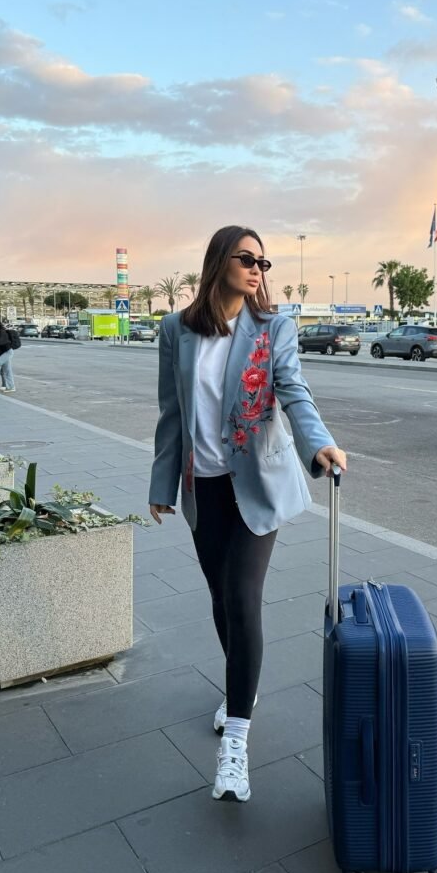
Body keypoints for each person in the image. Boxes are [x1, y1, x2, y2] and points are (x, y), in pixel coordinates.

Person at [148, 225, 347, 803]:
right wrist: (162, 483)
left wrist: (320, 445)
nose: (259, 268)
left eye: (265, 261)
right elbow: (170, 413)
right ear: (219, 261)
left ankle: (235, 743)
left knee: (241, 598)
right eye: (247, 257)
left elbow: (294, 393)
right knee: (219, 599)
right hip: (202, 487)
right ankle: (244, 683)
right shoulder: (175, 330)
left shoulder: (272, 327)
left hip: (257, 484)